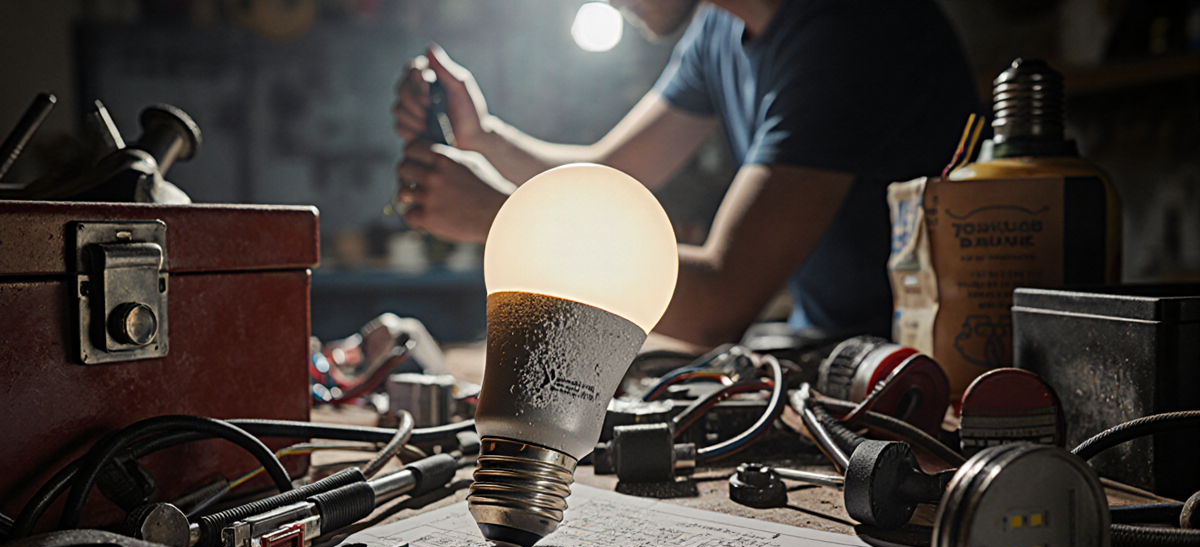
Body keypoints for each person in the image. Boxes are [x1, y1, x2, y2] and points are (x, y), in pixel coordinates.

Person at [392, 0, 977, 348]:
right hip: (831, 356)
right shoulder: (719, 28)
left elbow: (720, 301)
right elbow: (610, 173)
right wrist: (484, 137)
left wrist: (505, 220)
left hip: (928, 377)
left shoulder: (851, 31)